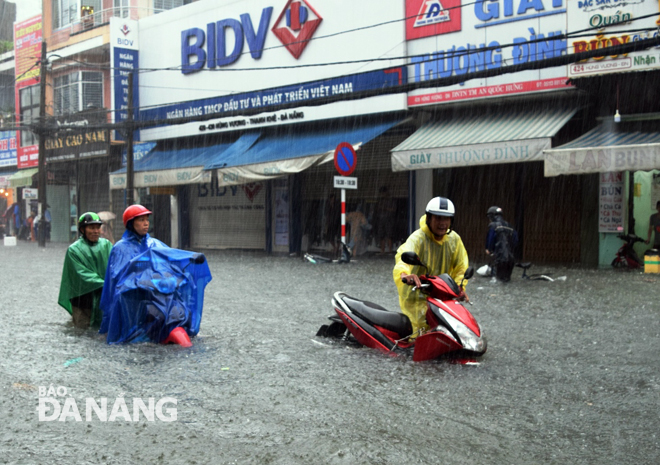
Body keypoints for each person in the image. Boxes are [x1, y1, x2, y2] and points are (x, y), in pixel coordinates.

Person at [100, 204, 212, 345]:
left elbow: (171, 259)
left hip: (158, 292)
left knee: (179, 310)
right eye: (141, 220)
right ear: (130, 223)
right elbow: (119, 278)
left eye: (147, 219)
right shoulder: (121, 248)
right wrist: (141, 281)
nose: (146, 223)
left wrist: (190, 259)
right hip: (136, 297)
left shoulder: (154, 243)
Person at [393, 197, 469, 337]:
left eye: (446, 219)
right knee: (420, 335)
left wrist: (459, 287)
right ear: (428, 218)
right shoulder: (418, 238)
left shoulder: (454, 240)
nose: (442, 223)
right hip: (416, 297)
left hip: (442, 297)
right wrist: (404, 274)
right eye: (438, 218)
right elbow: (402, 257)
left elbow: (461, 266)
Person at [57, 212, 113, 328]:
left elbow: (115, 265)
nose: (96, 231)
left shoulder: (106, 245)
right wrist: (106, 283)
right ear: (83, 230)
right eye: (92, 228)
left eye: (98, 227)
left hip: (103, 297)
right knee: (82, 331)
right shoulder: (74, 250)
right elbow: (82, 273)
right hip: (82, 300)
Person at [485, 206, 518, 282]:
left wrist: (489, 249)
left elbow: (490, 239)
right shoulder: (510, 226)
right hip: (510, 259)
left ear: (491, 216)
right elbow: (515, 240)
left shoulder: (493, 225)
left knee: (497, 281)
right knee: (506, 281)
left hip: (499, 258)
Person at [376, 186, 397, 254]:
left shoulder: (391, 200)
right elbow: (378, 208)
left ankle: (390, 250)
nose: (382, 195)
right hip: (381, 219)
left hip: (389, 219)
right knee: (381, 235)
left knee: (389, 235)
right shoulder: (380, 200)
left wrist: (386, 208)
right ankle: (382, 250)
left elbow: (394, 209)